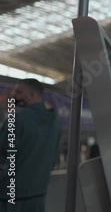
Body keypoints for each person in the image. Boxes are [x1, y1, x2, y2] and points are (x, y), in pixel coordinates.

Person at [0, 79, 62, 212]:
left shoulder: (17, 120)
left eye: (19, 92)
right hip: (38, 194)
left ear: (33, 95)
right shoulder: (55, 122)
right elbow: (55, 158)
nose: (14, 95)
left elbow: (3, 154)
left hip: (9, 197)